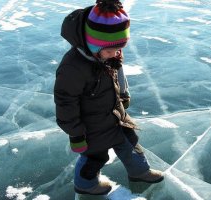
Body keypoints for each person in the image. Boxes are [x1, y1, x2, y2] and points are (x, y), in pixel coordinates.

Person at [54, 0, 164, 195]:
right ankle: (85, 185)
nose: (115, 54)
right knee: (95, 157)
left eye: (118, 49)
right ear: (92, 44)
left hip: (114, 115)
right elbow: (65, 102)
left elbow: (119, 74)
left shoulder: (109, 55)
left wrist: (123, 95)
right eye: (109, 50)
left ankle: (140, 172)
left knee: (130, 142)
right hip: (91, 126)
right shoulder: (73, 67)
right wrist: (76, 134)